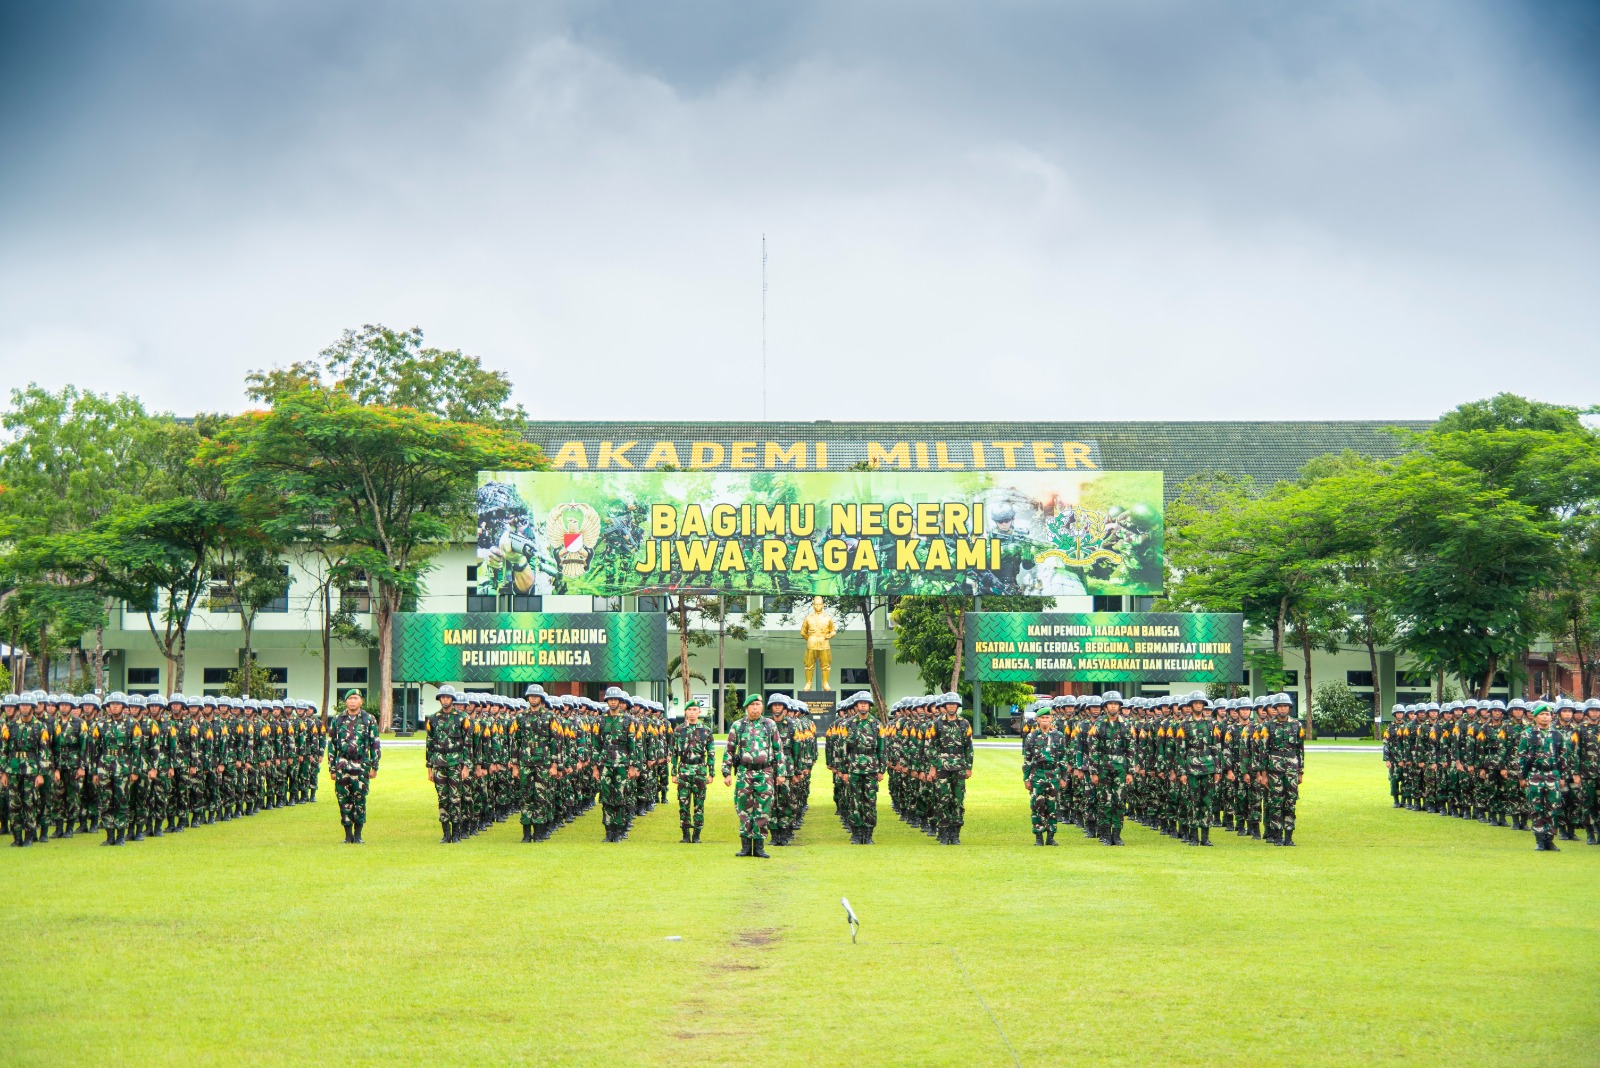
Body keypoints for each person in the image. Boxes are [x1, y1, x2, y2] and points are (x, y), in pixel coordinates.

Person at [722, 693, 787, 857]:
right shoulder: (738, 726)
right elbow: (729, 750)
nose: (755, 708)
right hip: (745, 773)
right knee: (744, 808)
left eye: (758, 705)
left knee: (763, 808)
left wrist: (781, 773)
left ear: (762, 707)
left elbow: (778, 750)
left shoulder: (770, 725)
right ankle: (745, 846)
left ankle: (759, 846)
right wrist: (726, 772)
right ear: (746, 708)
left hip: (765, 773)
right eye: (752, 705)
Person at [327, 689, 381, 843]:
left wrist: (374, 766)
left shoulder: (368, 719)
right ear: (345, 702)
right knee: (343, 799)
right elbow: (331, 745)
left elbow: (375, 743)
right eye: (350, 698)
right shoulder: (337, 719)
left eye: (355, 698)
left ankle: (358, 835)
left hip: (361, 765)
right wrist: (332, 768)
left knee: (360, 799)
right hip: (342, 765)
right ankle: (347, 835)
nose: (352, 701)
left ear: (361, 701)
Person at [1519, 703, 1569, 852]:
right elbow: (1521, 757)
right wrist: (1522, 777)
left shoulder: (1557, 734)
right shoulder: (1528, 734)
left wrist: (1562, 776)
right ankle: (1540, 839)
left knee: (1553, 807)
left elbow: (1563, 757)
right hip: (1535, 774)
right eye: (1542, 714)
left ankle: (1550, 840)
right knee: (1536, 808)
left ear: (1551, 717)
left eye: (1547, 714)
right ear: (1535, 717)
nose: (1545, 717)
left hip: (1553, 775)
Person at [426, 686, 471, 843]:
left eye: (448, 697)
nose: (445, 699)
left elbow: (468, 744)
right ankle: (446, 833)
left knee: (456, 798)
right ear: (440, 699)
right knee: (442, 798)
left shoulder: (462, 718)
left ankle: (456, 833)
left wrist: (466, 767)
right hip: (439, 764)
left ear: (452, 699)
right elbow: (429, 744)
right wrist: (429, 768)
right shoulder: (433, 719)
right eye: (442, 697)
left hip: (455, 763)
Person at [838, 691, 884, 845]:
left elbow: (882, 748)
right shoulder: (848, 724)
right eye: (860, 703)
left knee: (870, 801)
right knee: (854, 801)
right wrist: (843, 770)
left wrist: (881, 770)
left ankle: (868, 834)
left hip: (871, 768)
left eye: (865, 703)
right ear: (856, 706)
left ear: (869, 705)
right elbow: (843, 748)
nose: (863, 705)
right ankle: (857, 833)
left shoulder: (877, 724)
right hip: (854, 768)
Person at [1022, 702, 1068, 845]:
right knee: (1037, 805)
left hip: (1053, 774)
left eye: (1047, 718)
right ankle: (1038, 837)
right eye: (1042, 718)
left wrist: (1063, 777)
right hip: (1037, 774)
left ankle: (1050, 836)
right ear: (1037, 719)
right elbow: (1027, 759)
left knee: (1052, 806)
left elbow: (1063, 758)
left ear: (1051, 719)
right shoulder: (1031, 737)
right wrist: (1026, 779)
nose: (1045, 720)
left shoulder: (1058, 736)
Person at [931, 692, 974, 845]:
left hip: (959, 766)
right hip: (942, 766)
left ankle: (955, 833)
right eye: (949, 704)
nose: (951, 707)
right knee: (942, 800)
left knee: (958, 800)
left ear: (957, 706)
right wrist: (933, 767)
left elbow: (969, 747)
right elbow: (932, 746)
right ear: (945, 706)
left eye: (954, 704)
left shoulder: (964, 724)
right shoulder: (937, 723)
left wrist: (969, 767)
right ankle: (943, 833)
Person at [672, 700, 716, 843]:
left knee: (699, 804)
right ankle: (685, 834)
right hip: (684, 769)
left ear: (699, 712)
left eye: (695, 710)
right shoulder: (679, 730)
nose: (692, 713)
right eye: (689, 709)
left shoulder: (706, 730)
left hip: (699, 770)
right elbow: (674, 753)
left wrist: (711, 773)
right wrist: (673, 773)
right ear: (685, 712)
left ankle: (697, 834)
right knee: (683, 803)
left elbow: (711, 753)